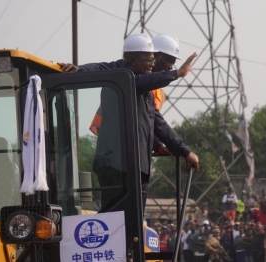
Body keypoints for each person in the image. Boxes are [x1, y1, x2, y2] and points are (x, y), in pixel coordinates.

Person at [58, 33, 199, 208]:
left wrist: (180, 150)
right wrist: (79, 70)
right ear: (133, 59)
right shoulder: (123, 77)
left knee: (132, 219)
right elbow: (100, 67)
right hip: (117, 165)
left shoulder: (145, 87)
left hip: (135, 164)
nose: (153, 64)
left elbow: (155, 122)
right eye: (149, 59)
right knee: (117, 215)